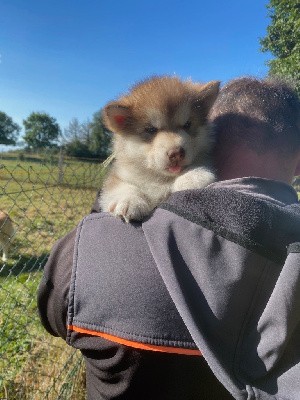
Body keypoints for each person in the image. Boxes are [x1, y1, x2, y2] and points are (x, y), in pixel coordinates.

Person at [38, 77, 300, 400]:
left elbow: (52, 308)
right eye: (150, 131)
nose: (174, 144)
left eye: (187, 126)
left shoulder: (88, 254)